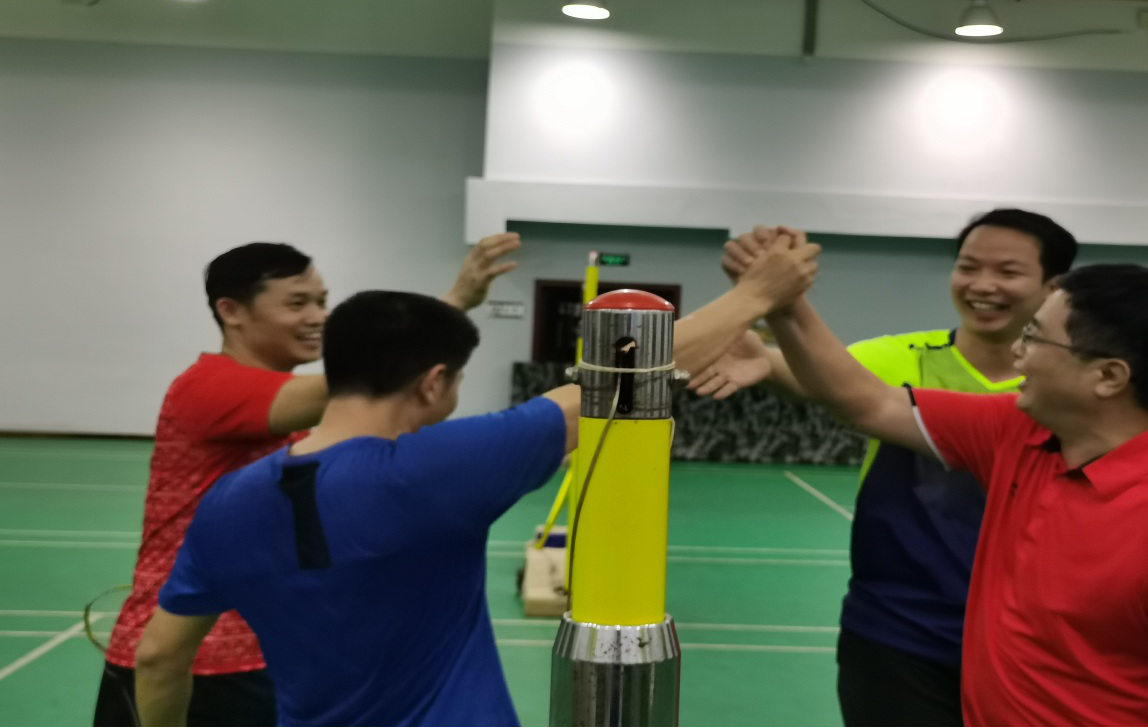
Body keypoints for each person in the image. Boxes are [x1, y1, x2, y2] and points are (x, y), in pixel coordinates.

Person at [133, 236, 820, 727]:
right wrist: (758, 294)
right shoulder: (438, 471)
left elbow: (160, 656)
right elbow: (615, 381)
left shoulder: (227, 503)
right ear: (435, 382)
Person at [757, 257, 1148, 727]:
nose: (1017, 352)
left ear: (1108, 376)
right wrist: (782, 304)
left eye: (1034, 338)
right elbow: (865, 402)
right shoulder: (1020, 432)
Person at [95, 233, 523, 727]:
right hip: (188, 661)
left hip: (267, 654)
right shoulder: (208, 387)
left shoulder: (300, 414)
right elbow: (366, 380)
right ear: (231, 311)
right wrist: (452, 306)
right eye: (297, 303)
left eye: (322, 301)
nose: (319, 317)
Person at [692, 211, 1077, 727]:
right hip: (898, 636)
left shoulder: (1068, 389)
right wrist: (766, 342)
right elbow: (826, 380)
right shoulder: (901, 356)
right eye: (968, 267)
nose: (982, 285)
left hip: (1033, 643)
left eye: (1008, 272)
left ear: (1053, 287)